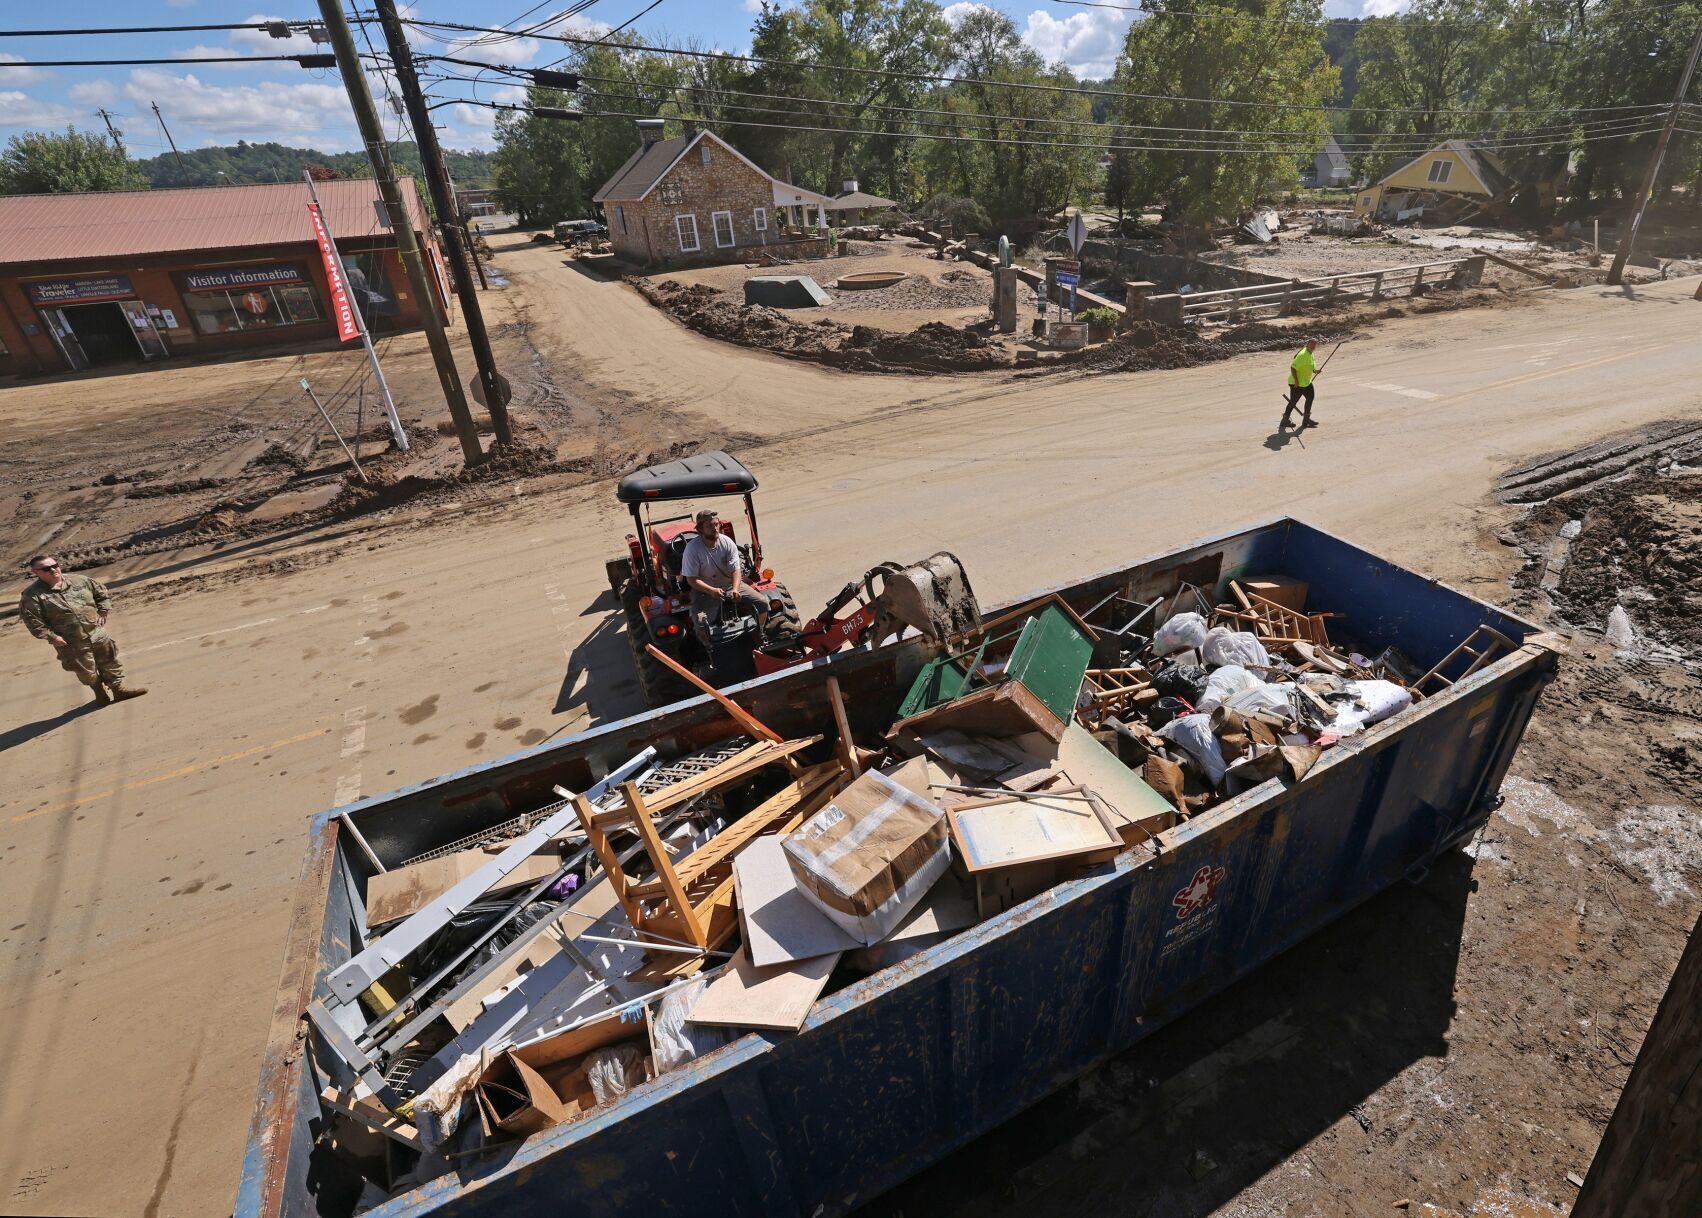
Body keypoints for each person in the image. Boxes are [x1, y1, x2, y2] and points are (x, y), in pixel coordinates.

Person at [19, 555, 148, 706]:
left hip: (97, 633)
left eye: (55, 565)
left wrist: (103, 610)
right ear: (36, 572)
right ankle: (99, 693)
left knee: (110, 662)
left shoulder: (79, 580)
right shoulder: (31, 595)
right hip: (70, 642)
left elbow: (101, 593)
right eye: (47, 569)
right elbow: (33, 621)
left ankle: (119, 690)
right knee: (85, 672)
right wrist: (52, 637)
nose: (53, 569)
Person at [680, 510, 769, 646]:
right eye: (710, 526)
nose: (715, 528)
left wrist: (735, 589)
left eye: (716, 525)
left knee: (762, 602)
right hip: (704, 590)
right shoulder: (692, 549)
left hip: (728, 585)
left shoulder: (727, 542)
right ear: (700, 529)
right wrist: (711, 591)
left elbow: (736, 570)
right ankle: (710, 648)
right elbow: (691, 580)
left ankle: (758, 634)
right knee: (701, 622)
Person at [1281, 339, 1321, 430]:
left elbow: (1311, 365)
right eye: (1311, 344)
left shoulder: (1310, 353)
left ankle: (1306, 420)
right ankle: (1285, 420)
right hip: (1297, 384)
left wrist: (1315, 371)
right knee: (1293, 402)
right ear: (1307, 344)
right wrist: (1296, 381)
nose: (1313, 346)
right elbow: (1293, 368)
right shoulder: (1303, 355)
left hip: (1306, 382)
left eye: (1315, 345)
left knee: (1310, 397)